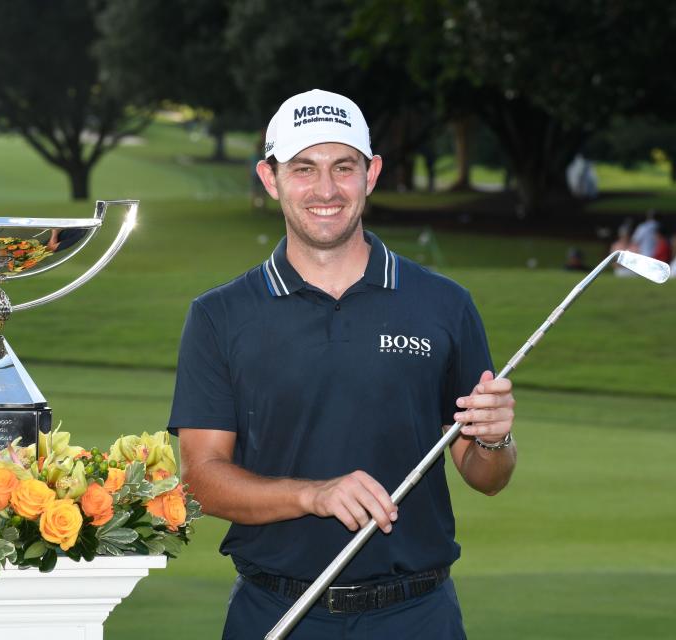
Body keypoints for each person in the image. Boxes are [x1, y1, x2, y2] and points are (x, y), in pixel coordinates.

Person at [168, 89, 516, 639]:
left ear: (371, 173)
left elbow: (485, 475)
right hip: (277, 612)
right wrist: (314, 494)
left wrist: (495, 440)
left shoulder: (444, 304)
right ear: (269, 177)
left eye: (343, 167)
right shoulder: (219, 316)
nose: (325, 190)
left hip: (416, 615)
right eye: (303, 168)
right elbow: (202, 481)